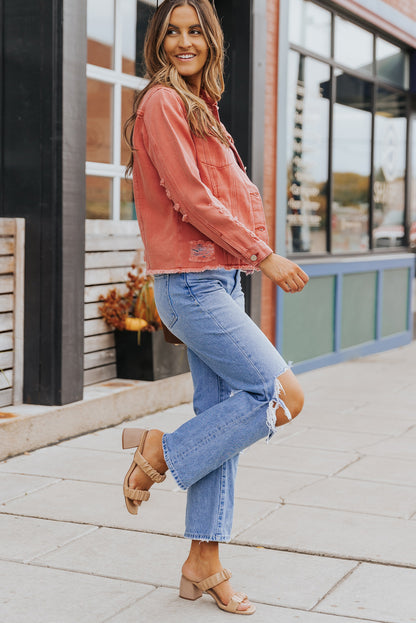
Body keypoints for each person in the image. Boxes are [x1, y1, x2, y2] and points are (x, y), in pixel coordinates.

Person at [122, 0, 308, 614]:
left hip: (216, 281)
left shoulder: (200, 108)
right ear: (157, 43)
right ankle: (159, 451)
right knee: (279, 397)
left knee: (223, 421)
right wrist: (266, 257)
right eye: (171, 32)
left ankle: (203, 563)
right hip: (195, 285)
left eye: (194, 31)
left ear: (211, 40)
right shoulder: (162, 102)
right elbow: (193, 198)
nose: (183, 42)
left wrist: (243, 263)